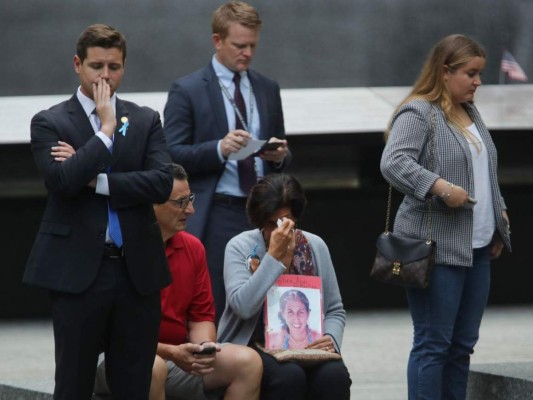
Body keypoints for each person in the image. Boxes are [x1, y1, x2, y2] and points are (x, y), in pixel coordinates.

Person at [22, 24, 173, 400]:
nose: (105, 76)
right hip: (78, 273)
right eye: (96, 66)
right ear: (78, 64)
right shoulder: (50, 121)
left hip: (136, 270)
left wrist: (97, 180)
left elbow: (160, 183)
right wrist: (105, 130)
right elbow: (63, 181)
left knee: (133, 383)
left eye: (114, 67)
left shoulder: (144, 119)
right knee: (73, 383)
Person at [380, 34, 512, 400]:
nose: (478, 82)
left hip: (479, 247)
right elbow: (393, 162)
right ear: (444, 72)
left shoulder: (469, 111)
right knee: (433, 344)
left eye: (480, 74)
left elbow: (485, 169)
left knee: (462, 345)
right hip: (433, 247)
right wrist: (438, 185)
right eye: (470, 73)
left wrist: (498, 213)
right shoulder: (419, 111)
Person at [163, 1, 291, 324]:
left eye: (252, 46)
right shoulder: (188, 90)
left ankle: (264, 370)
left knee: (272, 296)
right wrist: (218, 149)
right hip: (218, 211)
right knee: (220, 302)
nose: (247, 53)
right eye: (239, 45)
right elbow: (170, 155)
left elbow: (282, 148)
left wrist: (278, 157)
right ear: (217, 41)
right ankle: (222, 369)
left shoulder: (266, 88)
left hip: (265, 210)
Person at [94, 163, 262, 400]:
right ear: (151, 204)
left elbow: (200, 316)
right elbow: (114, 336)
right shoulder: (119, 248)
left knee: (248, 361)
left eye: (190, 199)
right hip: (117, 358)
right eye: (181, 202)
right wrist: (171, 353)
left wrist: (203, 347)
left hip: (178, 356)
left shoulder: (193, 247)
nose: (191, 210)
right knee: (153, 367)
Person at [217, 173, 351, 400]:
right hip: (253, 345)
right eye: (270, 223)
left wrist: (331, 338)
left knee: (334, 375)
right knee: (289, 376)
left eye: (284, 220)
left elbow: (335, 308)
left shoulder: (315, 246)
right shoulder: (240, 246)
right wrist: (274, 257)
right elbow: (243, 306)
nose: (277, 230)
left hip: (307, 345)